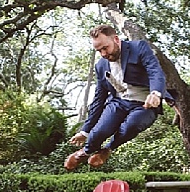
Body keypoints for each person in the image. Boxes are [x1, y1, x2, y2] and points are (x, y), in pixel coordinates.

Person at [65, 24, 174, 170]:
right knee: (99, 132)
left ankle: (107, 150)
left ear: (116, 39)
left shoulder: (139, 48)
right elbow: (99, 99)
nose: (103, 53)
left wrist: (155, 93)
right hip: (119, 102)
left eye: (105, 48)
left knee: (132, 125)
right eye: (99, 51)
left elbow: (155, 71)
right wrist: (85, 131)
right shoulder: (101, 66)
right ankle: (85, 152)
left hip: (144, 104)